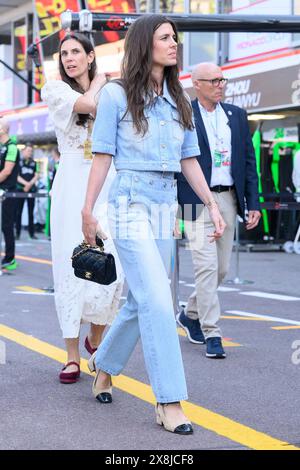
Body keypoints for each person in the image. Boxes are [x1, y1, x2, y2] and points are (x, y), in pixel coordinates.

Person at [82, 16, 225, 435]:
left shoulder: (180, 98)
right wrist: (88, 209)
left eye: (175, 38)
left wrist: (211, 206)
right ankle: (169, 400)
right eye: (165, 37)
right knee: (160, 301)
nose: (174, 43)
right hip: (129, 202)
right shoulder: (116, 94)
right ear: (146, 43)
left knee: (141, 299)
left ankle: (103, 365)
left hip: (166, 205)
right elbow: (103, 155)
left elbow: (189, 161)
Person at [41, 32, 124, 384]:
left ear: (90, 56)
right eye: (64, 53)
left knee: (112, 264)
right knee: (68, 264)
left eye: (77, 52)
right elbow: (88, 106)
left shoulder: (114, 90)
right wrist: (103, 79)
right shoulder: (56, 90)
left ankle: (96, 339)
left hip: (108, 178)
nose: (70, 58)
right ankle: (72, 355)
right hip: (71, 181)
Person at [176, 62, 261, 359]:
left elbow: (248, 162)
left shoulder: (236, 116)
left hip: (228, 198)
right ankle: (213, 332)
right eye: (213, 80)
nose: (220, 84)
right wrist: (176, 208)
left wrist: (253, 203)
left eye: (222, 79)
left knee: (221, 269)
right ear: (196, 84)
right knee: (206, 266)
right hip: (194, 199)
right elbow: (178, 162)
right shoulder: (184, 114)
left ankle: (190, 314)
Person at [0, 117, 20, 271]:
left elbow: (6, 171)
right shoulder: (2, 146)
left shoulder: (12, 147)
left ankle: (10, 259)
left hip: (8, 192)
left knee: (7, 226)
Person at [15, 143, 39, 240]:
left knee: (31, 212)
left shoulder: (34, 162)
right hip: (20, 189)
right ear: (23, 151)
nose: (30, 152)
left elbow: (36, 175)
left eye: (31, 151)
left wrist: (30, 184)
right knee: (18, 212)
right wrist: (26, 184)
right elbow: (16, 176)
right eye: (28, 151)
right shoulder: (18, 162)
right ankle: (17, 233)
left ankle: (31, 233)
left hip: (31, 190)